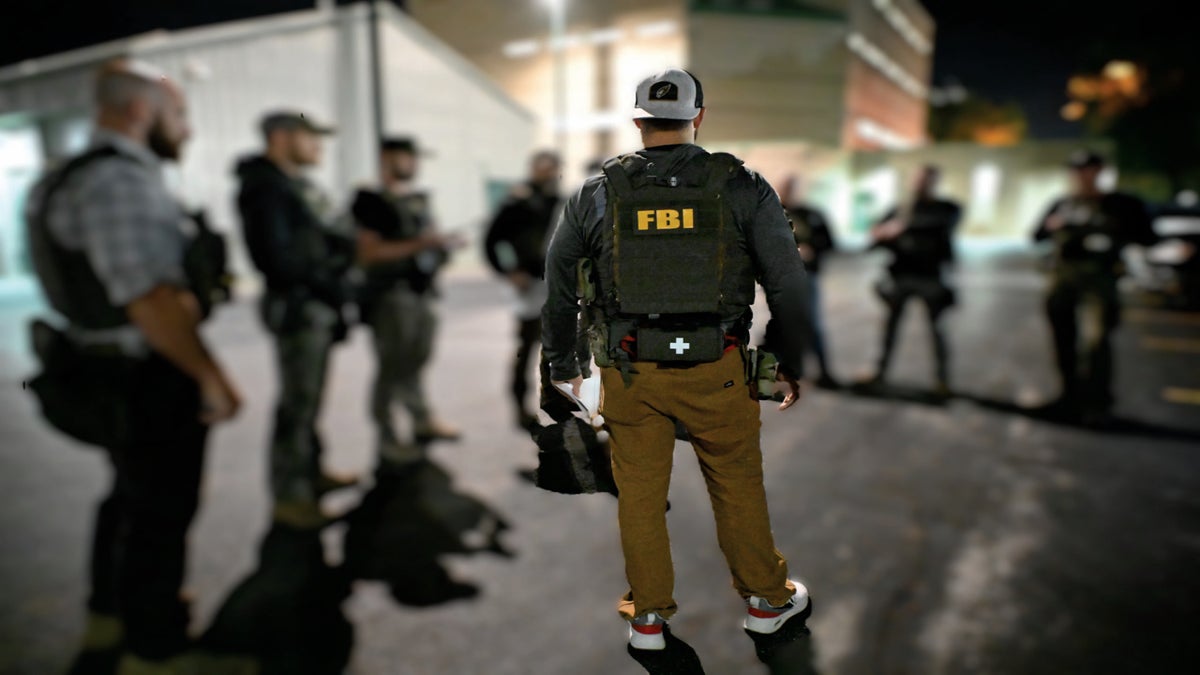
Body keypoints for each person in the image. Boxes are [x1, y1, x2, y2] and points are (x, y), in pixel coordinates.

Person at [542, 68, 811, 651]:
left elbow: (560, 286)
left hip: (630, 370)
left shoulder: (596, 192)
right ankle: (768, 602)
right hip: (718, 368)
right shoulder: (742, 186)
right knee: (737, 483)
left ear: (638, 120)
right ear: (698, 118)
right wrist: (785, 361)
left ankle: (648, 620)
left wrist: (562, 365)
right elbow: (789, 285)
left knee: (639, 494)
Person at [25, 59, 244, 674]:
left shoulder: (67, 174)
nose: (189, 130)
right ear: (141, 111)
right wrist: (211, 375)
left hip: (100, 367)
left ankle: (111, 617)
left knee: (127, 500)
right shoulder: (122, 182)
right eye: (180, 115)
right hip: (144, 372)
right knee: (161, 512)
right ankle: (156, 653)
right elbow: (148, 297)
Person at [235, 110, 358, 530]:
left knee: (309, 401)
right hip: (299, 307)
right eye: (311, 137)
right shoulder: (266, 189)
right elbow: (280, 259)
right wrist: (327, 276)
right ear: (282, 138)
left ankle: (310, 474)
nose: (318, 147)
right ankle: (290, 496)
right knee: (297, 406)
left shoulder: (292, 186)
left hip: (314, 303)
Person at [351, 137, 465, 463]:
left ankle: (422, 420)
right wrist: (421, 244)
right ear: (387, 158)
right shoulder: (370, 200)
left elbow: (426, 240)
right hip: (390, 296)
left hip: (422, 293)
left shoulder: (417, 199)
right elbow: (368, 253)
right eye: (408, 157)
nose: (414, 164)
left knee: (415, 362)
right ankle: (386, 438)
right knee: (392, 368)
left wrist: (441, 245)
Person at [1032, 150, 1156, 423]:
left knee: (1096, 341)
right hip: (1064, 276)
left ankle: (1097, 403)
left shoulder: (1121, 204)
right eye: (1076, 171)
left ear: (1100, 172)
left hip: (1100, 278)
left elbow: (1147, 236)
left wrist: (1114, 232)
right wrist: (1053, 226)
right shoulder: (1063, 203)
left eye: (1088, 170)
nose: (1081, 176)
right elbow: (1036, 235)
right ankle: (1069, 397)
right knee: (1063, 339)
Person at [862, 165, 961, 396]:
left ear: (935, 183)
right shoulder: (899, 209)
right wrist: (879, 233)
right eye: (917, 180)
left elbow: (940, 225)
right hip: (900, 276)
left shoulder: (946, 208)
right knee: (889, 328)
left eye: (926, 180)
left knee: (937, 330)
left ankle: (943, 381)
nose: (920, 185)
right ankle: (880, 372)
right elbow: (877, 233)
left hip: (930, 277)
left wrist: (901, 227)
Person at [484, 150, 563, 431]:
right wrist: (508, 272)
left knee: (558, 351)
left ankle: (558, 405)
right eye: (542, 168)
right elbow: (492, 239)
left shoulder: (559, 202)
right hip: (528, 286)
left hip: (555, 287)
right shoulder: (516, 201)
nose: (547, 174)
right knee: (525, 348)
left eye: (551, 168)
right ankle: (519, 405)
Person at [777, 174, 839, 388]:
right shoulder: (769, 213)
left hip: (805, 276)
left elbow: (830, 244)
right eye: (785, 187)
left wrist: (812, 251)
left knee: (809, 322)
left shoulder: (813, 215)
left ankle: (823, 372)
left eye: (792, 188)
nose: (788, 193)